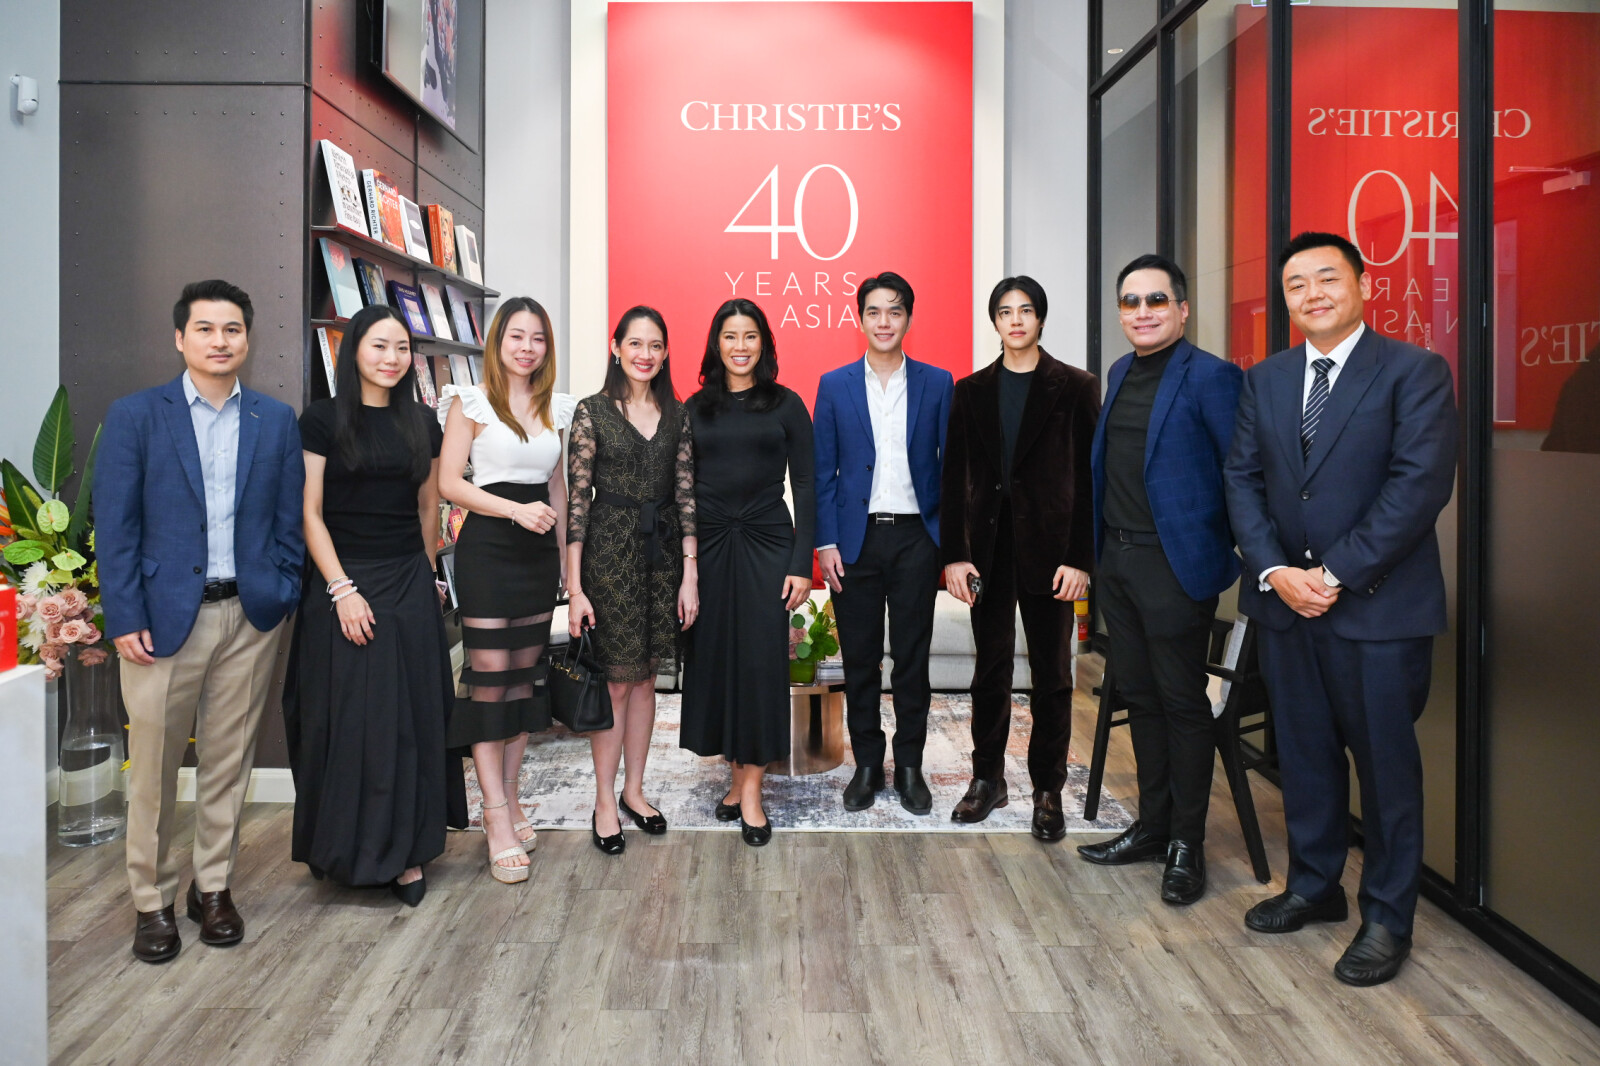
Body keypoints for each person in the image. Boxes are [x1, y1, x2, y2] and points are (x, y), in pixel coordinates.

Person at [1224, 232, 1457, 986]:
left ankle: (1387, 917)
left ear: (1362, 284)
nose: (1313, 293)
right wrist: (1273, 570)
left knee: (1386, 769)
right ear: (1286, 300)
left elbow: (1418, 486)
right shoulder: (1265, 380)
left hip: (1376, 610)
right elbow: (1243, 483)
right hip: (1287, 606)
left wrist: (1332, 573)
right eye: (1297, 284)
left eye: (1328, 277)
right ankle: (1314, 886)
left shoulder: (1414, 372)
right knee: (1307, 756)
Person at [97, 279, 306, 963]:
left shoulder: (272, 420)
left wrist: (278, 593)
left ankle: (211, 888)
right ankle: (152, 901)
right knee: (154, 770)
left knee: (227, 763)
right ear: (180, 338)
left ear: (248, 338)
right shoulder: (136, 416)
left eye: (233, 330)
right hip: (158, 625)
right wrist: (124, 613)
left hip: (248, 618)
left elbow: (286, 520)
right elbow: (116, 527)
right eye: (207, 329)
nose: (221, 341)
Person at [1076, 255, 1244, 903]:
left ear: (1181, 309)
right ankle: (1151, 826)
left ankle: (1186, 844)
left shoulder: (1212, 378)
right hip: (1118, 564)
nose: (1141, 312)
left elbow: (1239, 474)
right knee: (1140, 699)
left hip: (1176, 568)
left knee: (1181, 703)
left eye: (1155, 300)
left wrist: (1215, 548)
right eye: (1129, 302)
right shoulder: (1119, 373)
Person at [284, 304, 461, 906]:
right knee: (352, 720)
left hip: (408, 580)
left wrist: (431, 571)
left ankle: (406, 855)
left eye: (402, 348)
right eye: (379, 346)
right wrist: (341, 590)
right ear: (354, 349)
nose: (392, 358)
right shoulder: (322, 420)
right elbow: (309, 514)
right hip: (343, 581)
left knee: (411, 719)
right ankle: (339, 845)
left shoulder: (421, 422)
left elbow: (428, 507)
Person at [941, 276, 1100, 841]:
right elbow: (953, 476)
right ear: (995, 321)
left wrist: (1082, 558)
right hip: (988, 551)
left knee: (1054, 674)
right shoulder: (970, 391)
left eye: (1025, 311)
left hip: (1052, 552)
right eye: (1005, 311)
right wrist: (955, 555)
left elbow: (1090, 480)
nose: (1015, 321)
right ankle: (988, 780)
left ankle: (1047, 788)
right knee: (991, 669)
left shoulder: (1075, 387)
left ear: (1040, 319)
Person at [437, 297, 575, 883]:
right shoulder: (469, 402)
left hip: (538, 557)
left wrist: (571, 563)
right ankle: (493, 813)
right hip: (488, 551)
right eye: (516, 336)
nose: (526, 347)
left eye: (537, 338)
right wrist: (513, 513)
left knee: (524, 684)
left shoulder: (556, 408)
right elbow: (449, 484)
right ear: (497, 342)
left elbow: (559, 490)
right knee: (490, 686)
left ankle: (512, 797)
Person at [813, 271, 953, 814]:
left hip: (918, 538)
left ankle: (910, 766)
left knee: (912, 660)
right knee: (861, 661)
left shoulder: (938, 383)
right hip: (856, 541)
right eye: (874, 311)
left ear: (908, 319)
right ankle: (868, 764)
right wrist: (826, 542)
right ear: (860, 318)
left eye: (895, 312)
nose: (884, 321)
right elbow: (824, 472)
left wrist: (950, 543)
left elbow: (951, 467)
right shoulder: (835, 384)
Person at [680, 299, 815, 846]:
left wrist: (801, 563)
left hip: (767, 543)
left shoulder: (786, 405)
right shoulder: (694, 407)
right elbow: (681, 488)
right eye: (730, 336)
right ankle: (735, 778)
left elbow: (805, 486)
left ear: (764, 343)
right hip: (709, 546)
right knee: (717, 663)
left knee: (759, 666)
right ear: (716, 343)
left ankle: (753, 791)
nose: (740, 346)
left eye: (750, 336)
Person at [567, 306, 699, 855]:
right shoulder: (592, 411)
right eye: (635, 344)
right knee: (617, 681)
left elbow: (688, 496)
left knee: (647, 680)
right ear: (616, 347)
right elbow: (576, 503)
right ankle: (603, 799)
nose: (645, 354)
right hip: (609, 554)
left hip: (663, 555)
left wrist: (690, 572)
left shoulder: (678, 413)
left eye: (656, 346)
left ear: (666, 353)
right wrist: (573, 588)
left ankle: (635, 791)